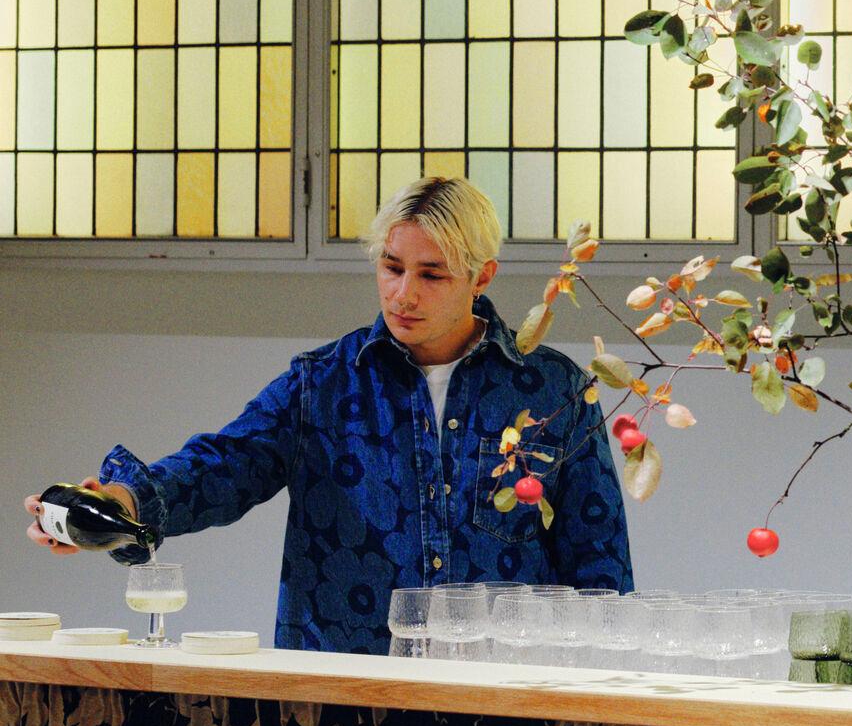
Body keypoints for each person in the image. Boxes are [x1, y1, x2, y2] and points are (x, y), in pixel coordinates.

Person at [21, 177, 633, 653]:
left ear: (481, 276)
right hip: (342, 697)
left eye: (431, 274)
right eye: (392, 267)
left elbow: (601, 570)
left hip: (505, 712)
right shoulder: (323, 383)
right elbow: (225, 464)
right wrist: (125, 505)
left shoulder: (553, 389)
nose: (403, 293)